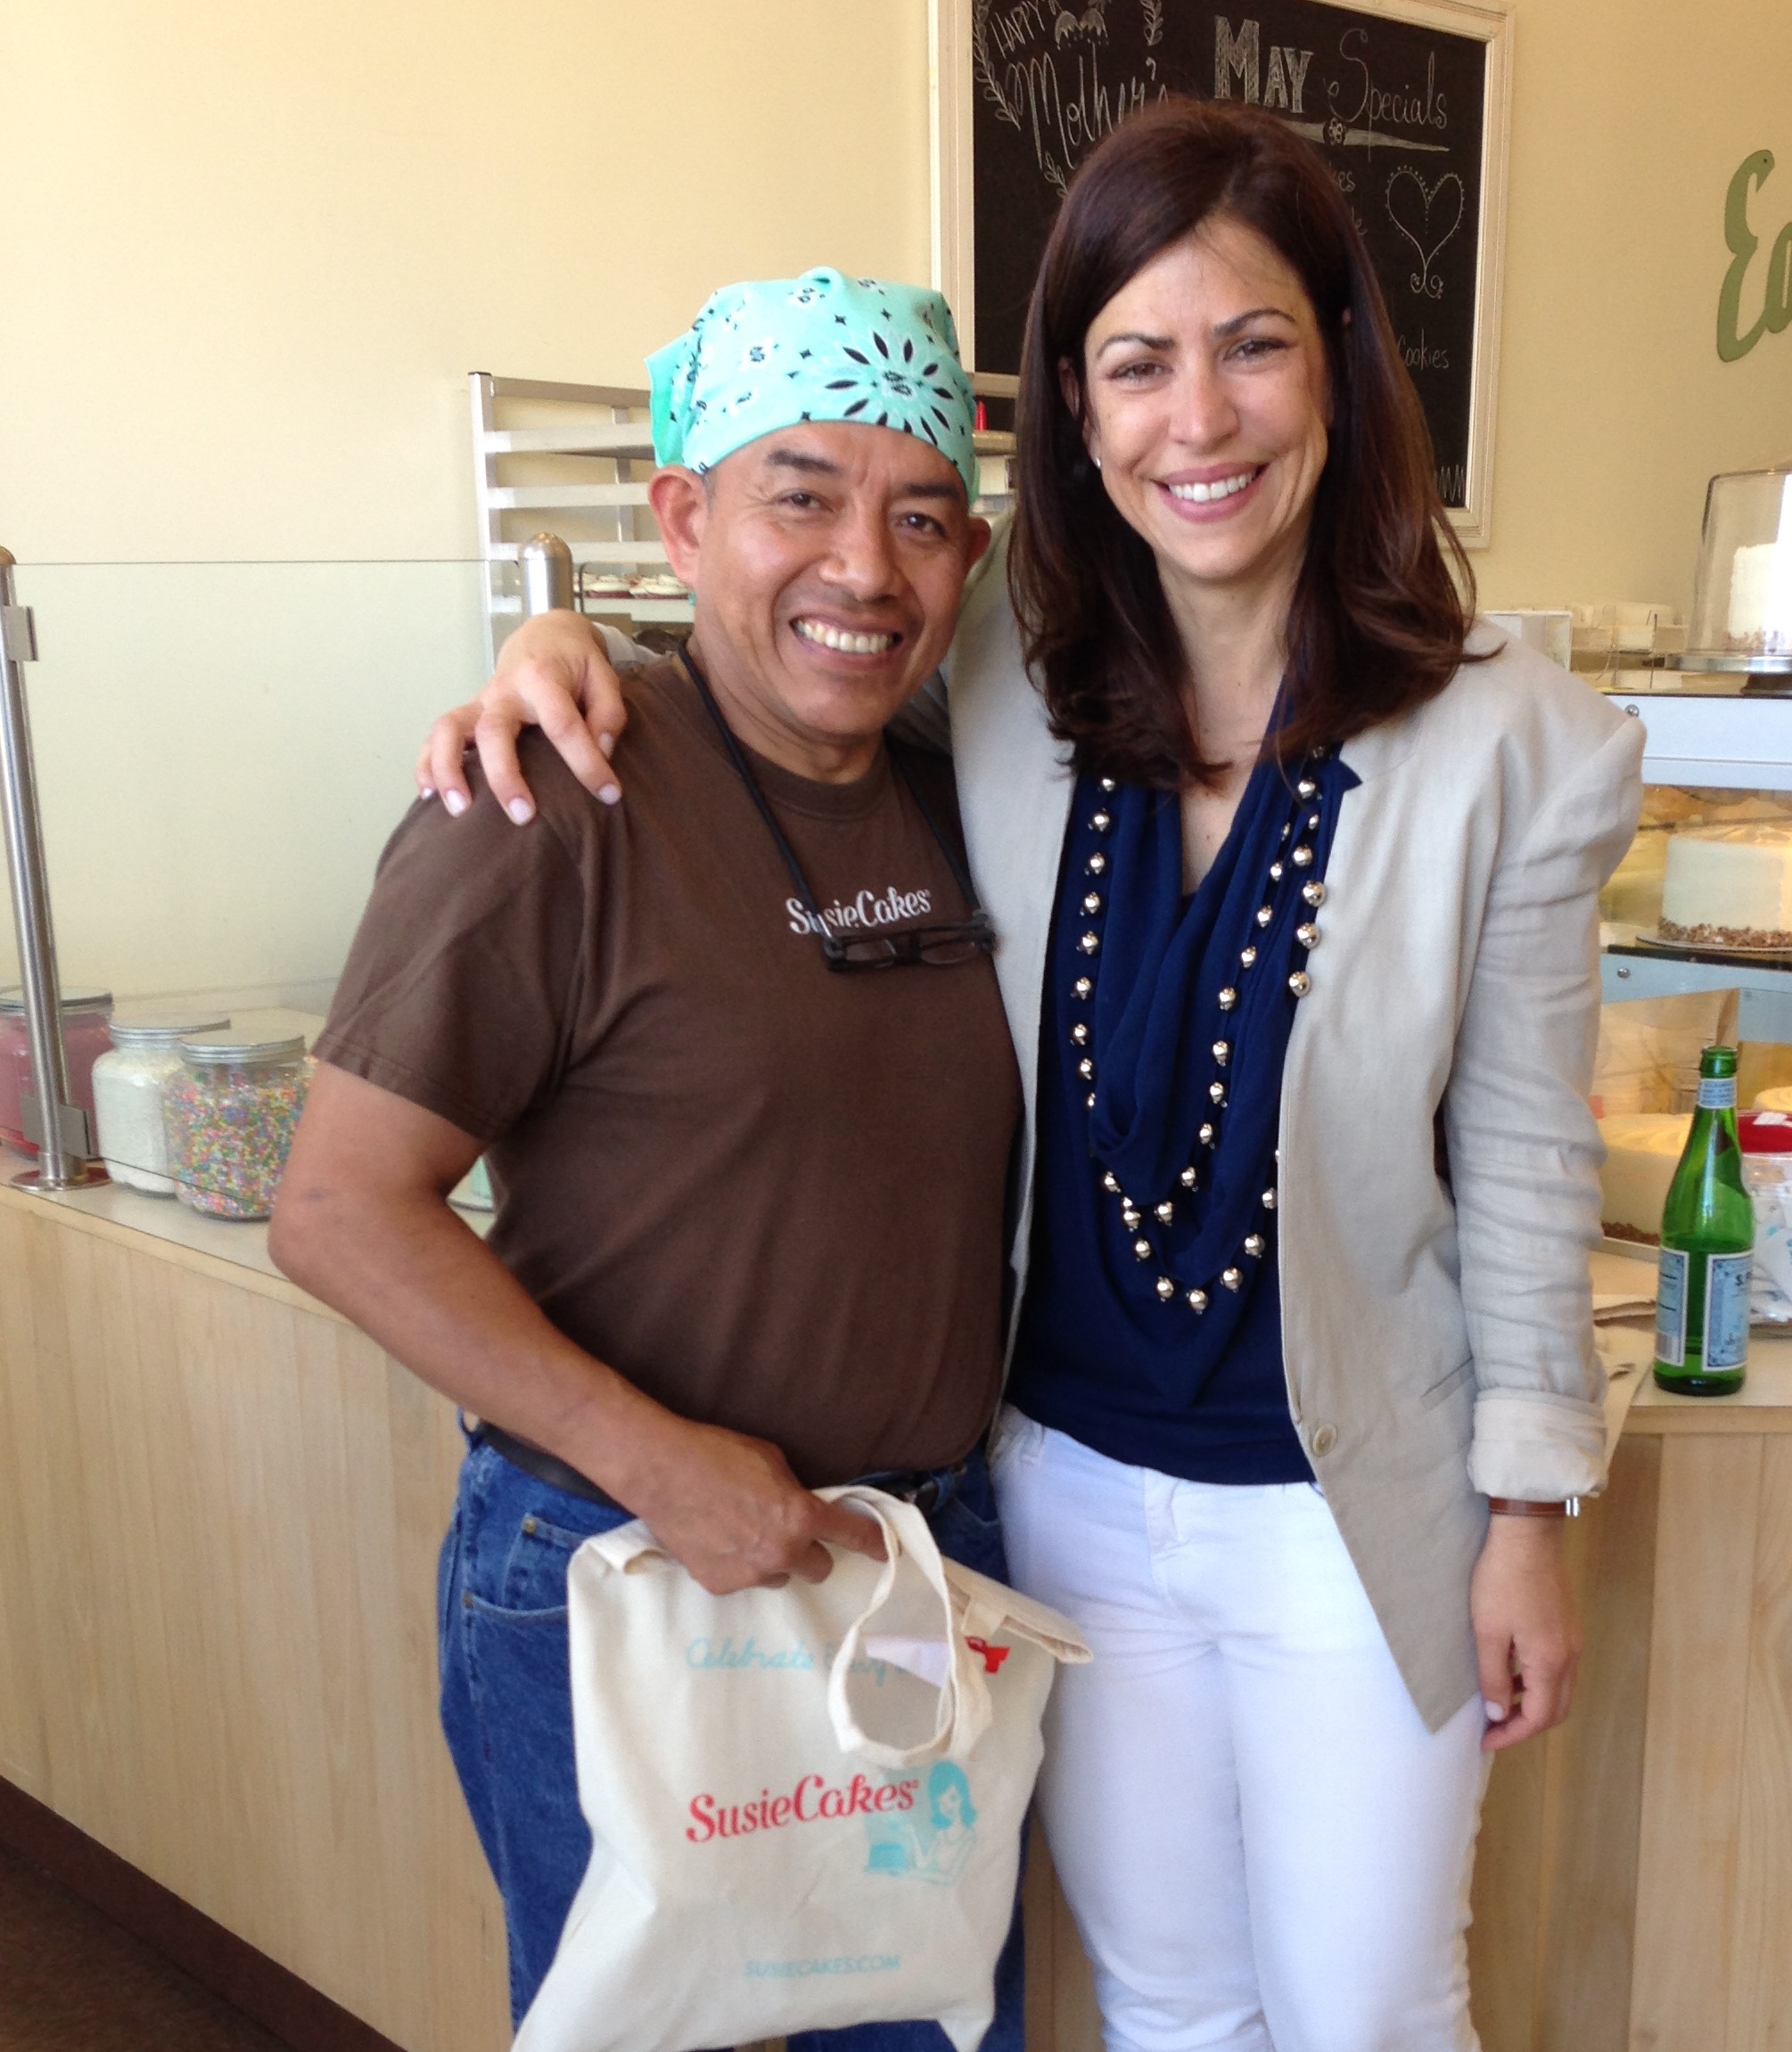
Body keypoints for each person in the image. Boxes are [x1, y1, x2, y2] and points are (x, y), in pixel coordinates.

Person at [426, 99, 1644, 2052]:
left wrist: (1529, 1515)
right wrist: (555, 637)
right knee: (1166, 2003)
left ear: (1339, 365)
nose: (1199, 417)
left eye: (1252, 346)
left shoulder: (1517, 739)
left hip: (1349, 1510)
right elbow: (774, 629)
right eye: (1137, 362)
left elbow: (1521, 1157)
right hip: (1060, 1495)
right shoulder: (1007, 672)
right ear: (1075, 410)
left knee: (1369, 2012)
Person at [270, 268, 1032, 2048]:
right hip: (618, 1560)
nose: (866, 567)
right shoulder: (549, 800)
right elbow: (338, 1210)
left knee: (923, 2026)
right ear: (683, 521)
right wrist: (656, 1463)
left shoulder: (965, 784)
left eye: (922, 518)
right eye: (800, 498)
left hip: (907, 1563)